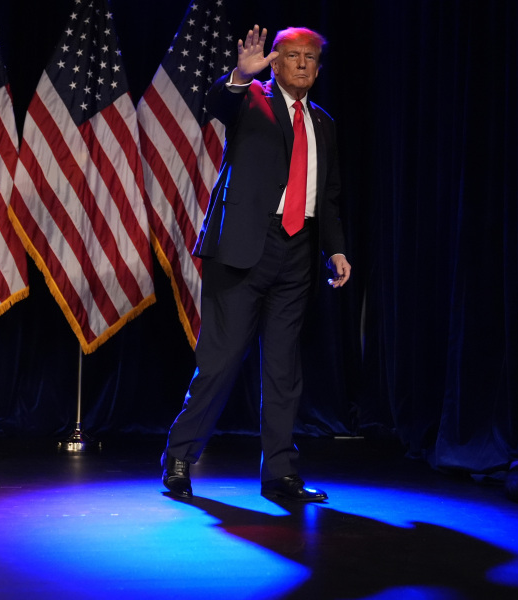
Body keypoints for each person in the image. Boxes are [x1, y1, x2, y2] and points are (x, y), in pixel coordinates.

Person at [161, 25, 350, 502]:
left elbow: (326, 198)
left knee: (284, 369)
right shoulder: (252, 102)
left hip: (298, 253)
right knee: (221, 362)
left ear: (318, 68)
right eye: (292, 56)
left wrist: (336, 248)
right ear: (276, 62)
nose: (302, 64)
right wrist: (240, 77)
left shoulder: (323, 123)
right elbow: (218, 104)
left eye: (310, 57)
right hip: (244, 248)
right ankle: (181, 458)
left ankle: (280, 474)